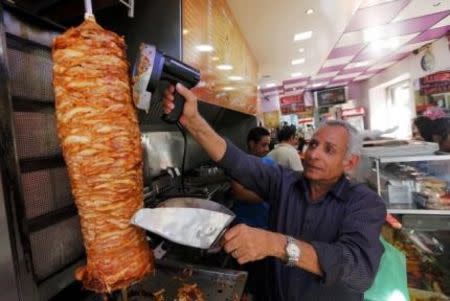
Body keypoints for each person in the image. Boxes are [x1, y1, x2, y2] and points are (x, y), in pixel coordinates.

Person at [163, 83, 386, 301]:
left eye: (329, 150)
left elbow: (359, 270)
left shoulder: (365, 203)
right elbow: (236, 160)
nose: (314, 154)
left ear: (349, 162)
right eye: (313, 145)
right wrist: (192, 121)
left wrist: (275, 244)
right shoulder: (285, 183)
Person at [231, 126, 273, 229]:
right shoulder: (240, 164)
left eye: (268, 145)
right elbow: (239, 193)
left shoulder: (270, 162)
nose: (267, 149)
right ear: (252, 144)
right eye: (264, 145)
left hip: (266, 221)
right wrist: (269, 196)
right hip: (246, 223)